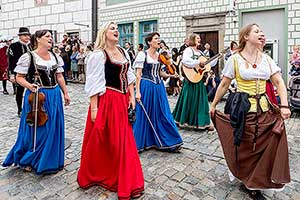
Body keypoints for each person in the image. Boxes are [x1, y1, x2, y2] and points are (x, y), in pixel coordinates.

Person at [210, 24, 290, 200]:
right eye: (256, 31)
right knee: (246, 147)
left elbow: (279, 83)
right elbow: (224, 84)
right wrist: (213, 104)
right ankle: (246, 177)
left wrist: (284, 105)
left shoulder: (267, 59)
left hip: (264, 110)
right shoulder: (235, 59)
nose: (261, 33)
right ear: (246, 36)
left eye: (262, 31)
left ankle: (256, 182)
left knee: (264, 145)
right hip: (243, 111)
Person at [77, 22, 144, 200]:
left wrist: (131, 96)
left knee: (124, 140)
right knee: (105, 139)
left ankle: (127, 179)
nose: (116, 31)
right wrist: (94, 109)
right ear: (104, 33)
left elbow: (129, 76)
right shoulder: (98, 55)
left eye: (117, 28)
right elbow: (94, 83)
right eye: (112, 28)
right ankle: (101, 172)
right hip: (107, 101)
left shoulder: (123, 52)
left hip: (121, 101)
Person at [2, 30, 70, 174]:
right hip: (37, 96)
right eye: (47, 37)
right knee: (37, 129)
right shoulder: (29, 57)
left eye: (51, 37)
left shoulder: (55, 57)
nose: (50, 39)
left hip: (54, 95)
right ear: (38, 39)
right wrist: (29, 86)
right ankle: (28, 158)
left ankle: (49, 159)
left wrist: (65, 93)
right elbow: (19, 77)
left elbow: (59, 77)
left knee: (52, 127)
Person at [133, 32, 183, 152]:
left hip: (158, 87)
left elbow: (160, 72)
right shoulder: (142, 54)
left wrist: (171, 74)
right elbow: (138, 75)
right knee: (144, 114)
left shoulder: (160, 56)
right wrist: (137, 92)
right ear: (149, 42)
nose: (158, 40)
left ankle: (169, 141)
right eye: (156, 38)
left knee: (162, 112)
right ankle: (141, 142)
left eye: (159, 38)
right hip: (146, 86)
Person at [172, 33, 214, 131]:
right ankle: (183, 120)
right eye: (197, 38)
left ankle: (202, 122)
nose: (199, 39)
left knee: (201, 101)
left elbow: (206, 64)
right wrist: (198, 62)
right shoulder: (188, 50)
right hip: (191, 78)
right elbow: (186, 61)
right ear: (192, 40)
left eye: (200, 38)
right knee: (188, 99)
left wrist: (212, 61)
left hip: (199, 79)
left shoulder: (200, 52)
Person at [8, 27, 32, 116]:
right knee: (19, 91)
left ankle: (31, 108)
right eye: (25, 35)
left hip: (30, 73)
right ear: (20, 36)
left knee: (32, 89)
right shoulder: (14, 46)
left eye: (28, 35)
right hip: (18, 73)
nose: (27, 37)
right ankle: (19, 109)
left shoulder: (31, 46)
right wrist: (11, 74)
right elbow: (10, 61)